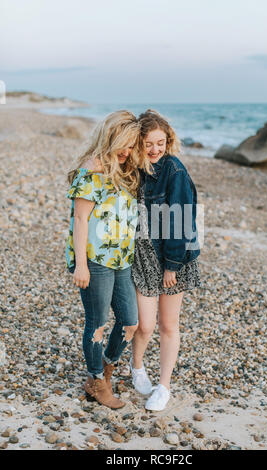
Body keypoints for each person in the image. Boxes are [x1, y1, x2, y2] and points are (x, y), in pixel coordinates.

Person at [66, 110, 150, 409]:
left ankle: (106, 367)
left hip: (121, 259)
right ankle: (97, 381)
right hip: (96, 260)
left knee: (130, 321)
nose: (127, 151)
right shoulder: (91, 170)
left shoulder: (126, 171)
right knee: (98, 322)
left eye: (131, 145)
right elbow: (80, 219)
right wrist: (81, 264)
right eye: (123, 144)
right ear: (109, 138)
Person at [130, 109, 201, 411]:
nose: (156, 150)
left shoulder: (175, 170)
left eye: (161, 143)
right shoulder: (134, 170)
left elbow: (182, 219)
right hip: (143, 254)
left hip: (175, 256)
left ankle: (164, 386)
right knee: (144, 325)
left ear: (168, 141)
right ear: (138, 144)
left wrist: (172, 265)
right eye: (149, 144)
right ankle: (136, 367)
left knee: (168, 325)